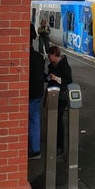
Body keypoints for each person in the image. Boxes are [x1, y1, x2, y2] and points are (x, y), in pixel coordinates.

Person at [46, 45, 72, 155]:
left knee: (58, 120)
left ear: (54, 55)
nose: (48, 57)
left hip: (61, 97)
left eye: (49, 55)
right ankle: (55, 141)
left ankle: (60, 145)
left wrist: (55, 78)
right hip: (52, 94)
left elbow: (68, 81)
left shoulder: (65, 66)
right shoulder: (52, 65)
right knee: (54, 118)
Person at [28, 24, 45, 159]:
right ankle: (35, 148)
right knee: (35, 119)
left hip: (29, 94)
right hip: (38, 93)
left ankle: (34, 149)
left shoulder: (26, 57)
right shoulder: (39, 57)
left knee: (32, 120)